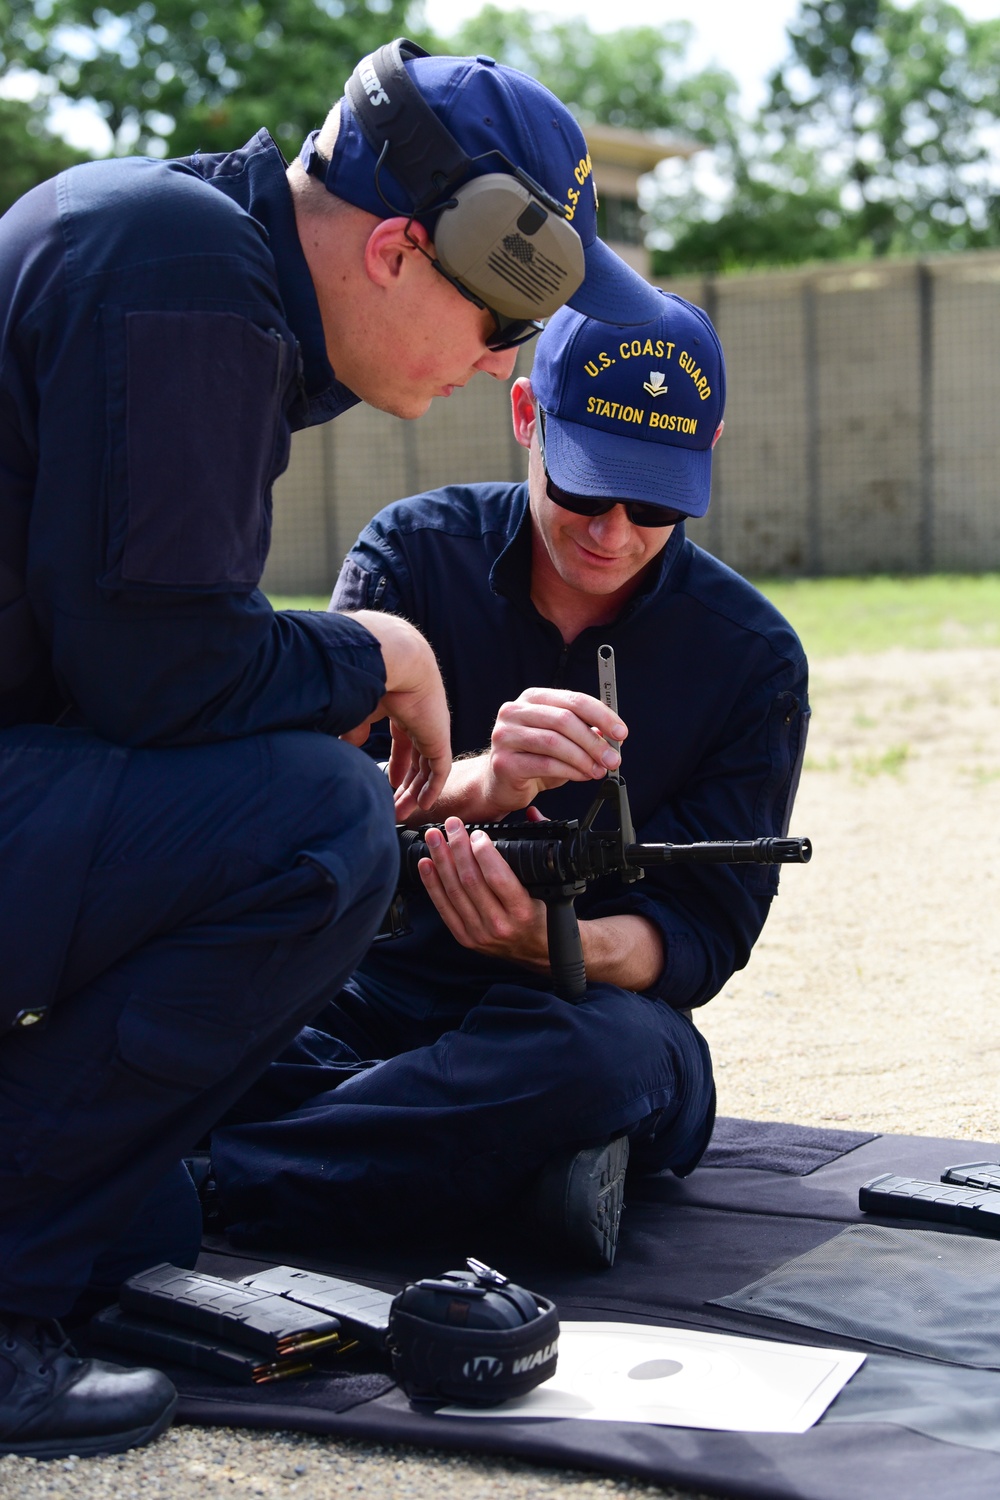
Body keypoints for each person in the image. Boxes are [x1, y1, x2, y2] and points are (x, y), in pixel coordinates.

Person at [0, 38, 666, 1459]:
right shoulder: (187, 276)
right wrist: (384, 652)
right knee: (317, 825)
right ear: (393, 249)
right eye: (497, 324)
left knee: (155, 1213)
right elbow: (152, 676)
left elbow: (121, 684)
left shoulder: (168, 241)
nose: (500, 366)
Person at [207, 292, 811, 1273]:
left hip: (582, 1023)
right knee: (181, 1011)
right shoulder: (409, 558)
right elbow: (293, 828)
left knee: (612, 1068)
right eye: (584, 488)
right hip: (368, 987)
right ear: (526, 416)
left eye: (655, 502)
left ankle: (219, 1183)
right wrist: (473, 783)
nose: (612, 534)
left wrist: (544, 942)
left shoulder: (751, 660)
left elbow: (702, 935)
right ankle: (486, 1169)